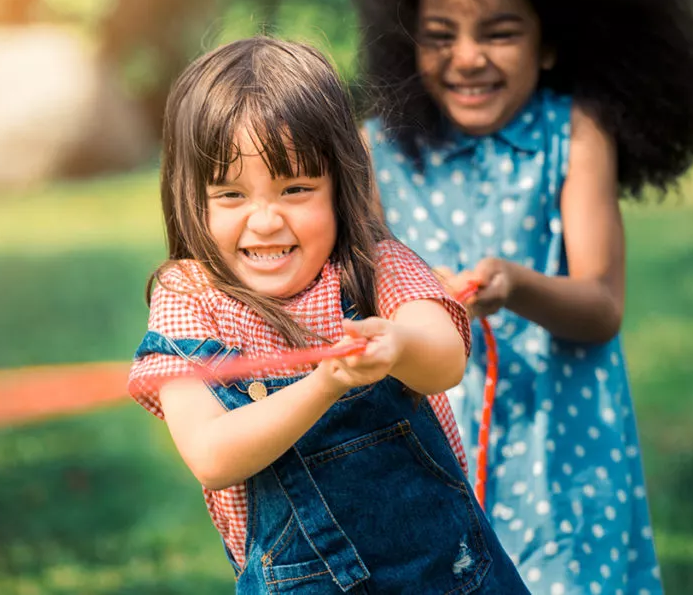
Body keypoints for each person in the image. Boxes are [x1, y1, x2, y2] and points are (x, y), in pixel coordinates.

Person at [348, 0, 693, 593]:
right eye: (440, 37)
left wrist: (516, 285)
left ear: (551, 41)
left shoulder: (576, 133)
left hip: (561, 445)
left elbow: (602, 305)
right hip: (434, 434)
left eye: (499, 33)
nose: (468, 57)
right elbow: (355, 291)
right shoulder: (378, 150)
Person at [128, 36, 531, 594]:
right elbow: (211, 455)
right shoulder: (190, 299)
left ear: (340, 186)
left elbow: (445, 361)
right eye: (230, 195)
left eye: (295, 188)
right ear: (190, 196)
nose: (265, 221)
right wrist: (324, 384)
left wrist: (399, 345)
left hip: (453, 574)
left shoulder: (374, 265)